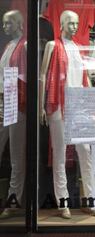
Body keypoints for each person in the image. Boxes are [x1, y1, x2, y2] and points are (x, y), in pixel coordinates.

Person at [39, 10, 95, 219]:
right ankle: (63, 202)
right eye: (71, 23)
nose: (75, 27)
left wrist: (92, 104)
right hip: (57, 104)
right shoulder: (52, 46)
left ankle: (91, 200)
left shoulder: (77, 48)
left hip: (78, 106)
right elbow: (42, 76)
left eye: (77, 23)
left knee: (85, 152)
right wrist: (41, 105)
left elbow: (84, 78)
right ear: (63, 24)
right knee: (60, 153)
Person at [0, 10, 27, 219]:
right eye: (3, 24)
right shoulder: (9, 46)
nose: (4, 27)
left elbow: (27, 78)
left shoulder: (25, 45)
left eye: (8, 24)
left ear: (18, 24)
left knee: (16, 156)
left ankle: (13, 200)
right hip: (4, 102)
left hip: (17, 104)